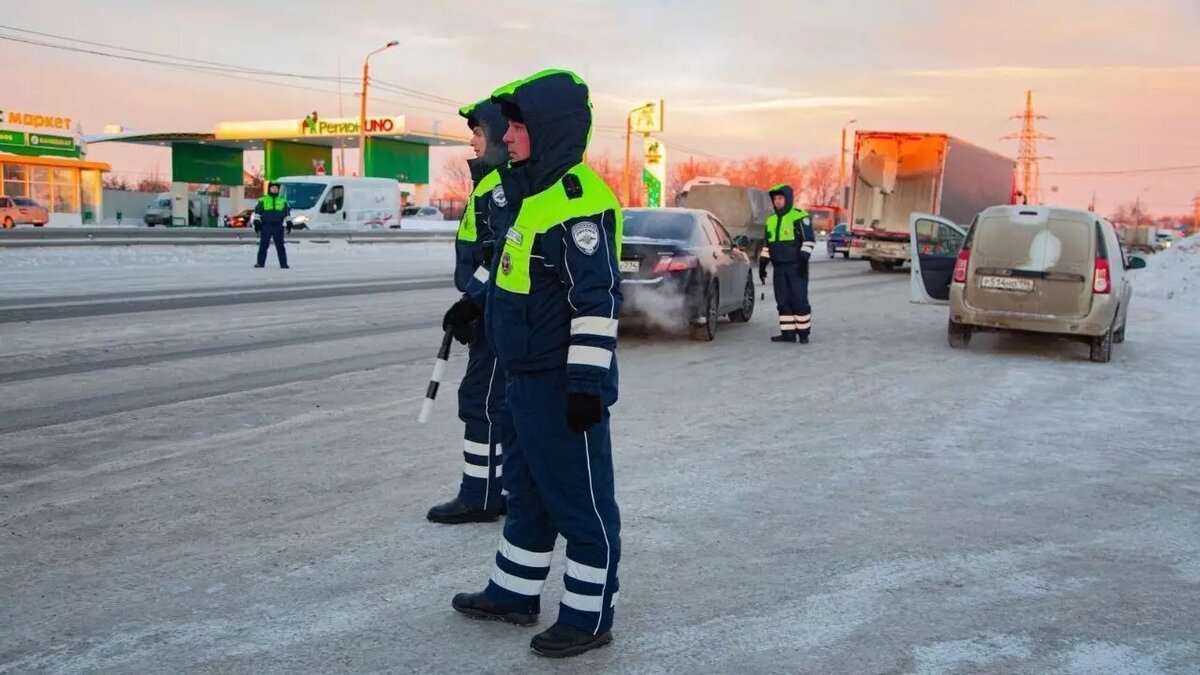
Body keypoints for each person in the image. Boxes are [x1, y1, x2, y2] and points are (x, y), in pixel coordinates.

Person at [444, 69, 624, 659]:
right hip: (523, 377)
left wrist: (584, 384)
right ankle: (515, 592)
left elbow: (594, 302)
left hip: (561, 384)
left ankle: (589, 614)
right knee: (526, 493)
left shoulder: (578, 200)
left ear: (548, 130)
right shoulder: (530, 193)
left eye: (519, 125)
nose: (508, 135)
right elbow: (518, 278)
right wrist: (477, 310)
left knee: (580, 499)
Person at [426, 98, 511, 524]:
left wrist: (469, 301)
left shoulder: (499, 187)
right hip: (492, 311)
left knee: (481, 402)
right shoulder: (491, 184)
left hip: (498, 313)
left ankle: (480, 495)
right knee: (502, 404)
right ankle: (502, 489)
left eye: (478, 134)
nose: (473, 143)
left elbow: (499, 258)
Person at [764, 184, 814, 343]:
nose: (777, 202)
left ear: (788, 199)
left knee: (799, 300)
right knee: (783, 301)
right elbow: (767, 244)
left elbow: (809, 240)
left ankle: (803, 334)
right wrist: (763, 262)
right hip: (779, 268)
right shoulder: (770, 220)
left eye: (780, 198)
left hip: (796, 267)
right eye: (775, 199)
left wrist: (803, 259)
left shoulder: (799, 216)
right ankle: (788, 334)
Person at [252, 182, 291, 269]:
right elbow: (257, 212)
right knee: (263, 245)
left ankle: (283, 264)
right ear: (269, 189)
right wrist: (256, 222)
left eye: (276, 188)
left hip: (278, 226)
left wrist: (289, 223)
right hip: (266, 226)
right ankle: (260, 263)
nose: (274, 189)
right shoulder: (262, 200)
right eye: (273, 188)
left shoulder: (283, 200)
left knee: (280, 246)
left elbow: (287, 213)